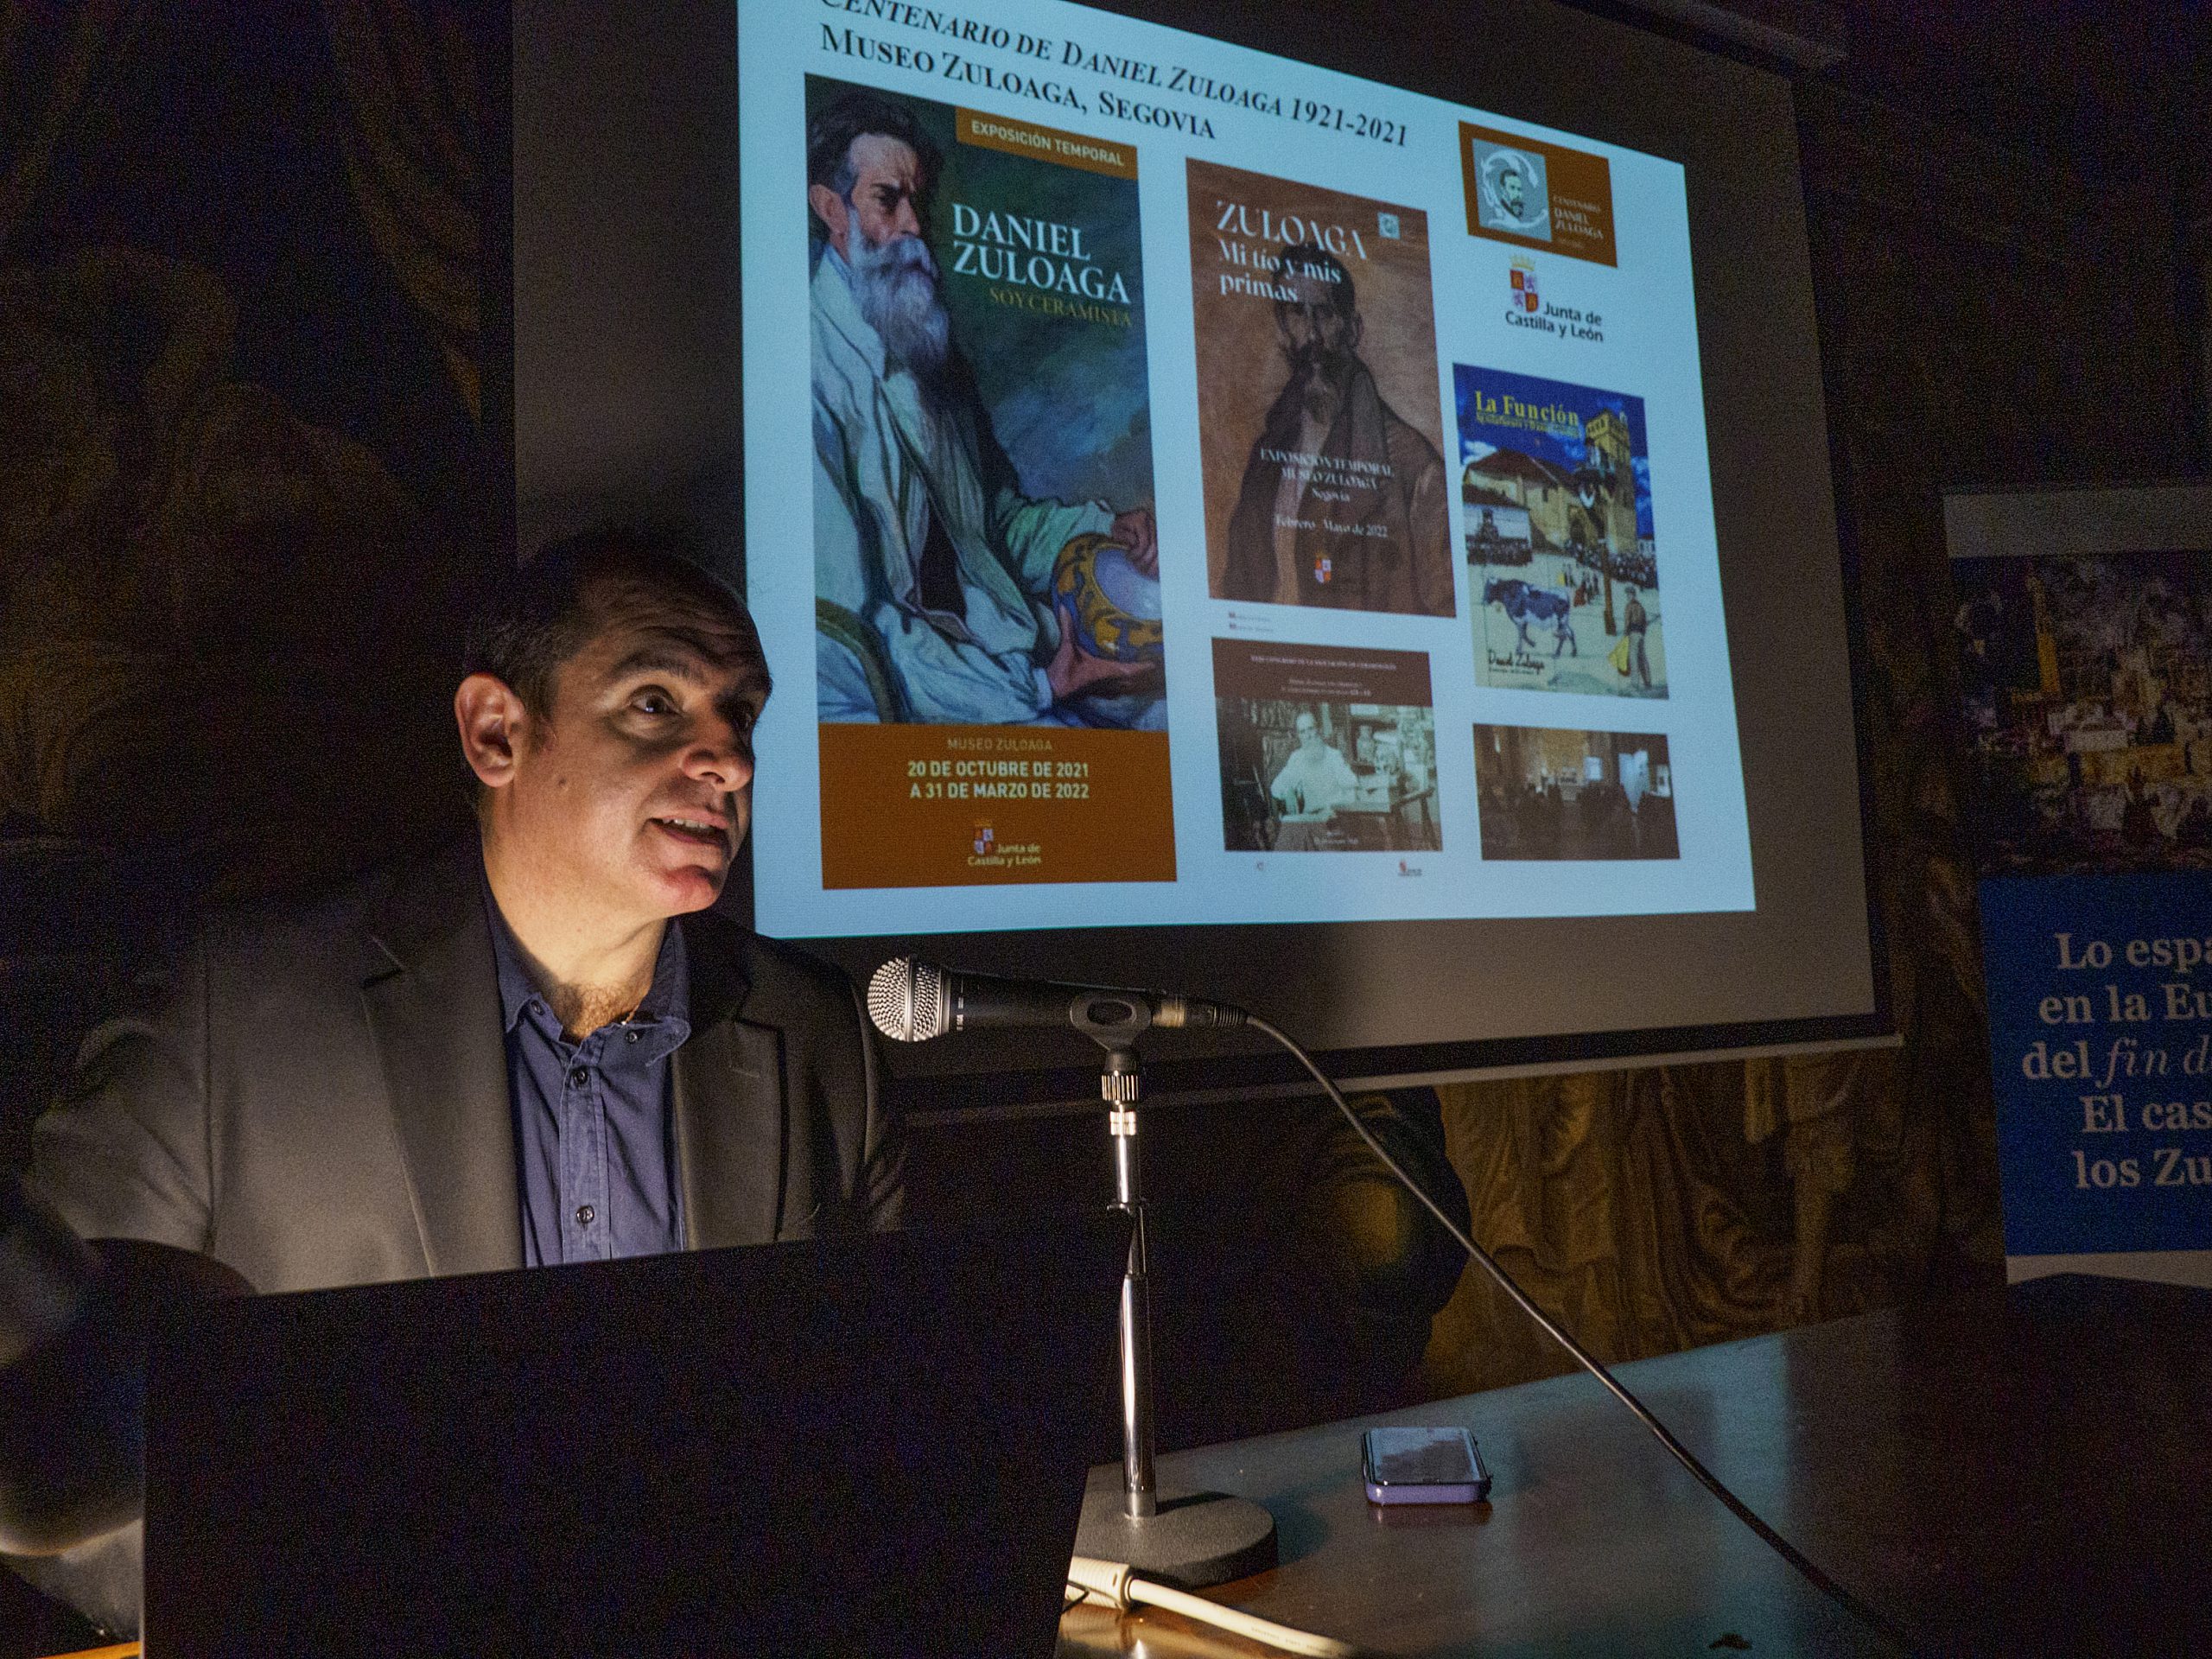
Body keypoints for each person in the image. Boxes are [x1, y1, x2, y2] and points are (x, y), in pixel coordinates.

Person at [10, 527, 905, 1635]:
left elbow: (875, 1435)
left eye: (742, 715)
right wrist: (307, 1611)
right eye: (656, 705)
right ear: (496, 732)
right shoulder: (235, 1006)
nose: (728, 757)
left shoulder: (819, 1038)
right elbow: (43, 1455)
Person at [806, 91, 1159, 726]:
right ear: (831, 208)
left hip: (1010, 651)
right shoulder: (807, 369)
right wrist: (1041, 687)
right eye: (889, 200)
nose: (915, 225)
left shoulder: (923, 343)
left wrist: (1106, 530)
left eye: (919, 201)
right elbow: (850, 630)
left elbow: (990, 528)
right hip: (911, 698)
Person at [1217, 245, 1452, 617]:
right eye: (1297, 313)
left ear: (1353, 328)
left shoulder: (1415, 471)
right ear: (1283, 330)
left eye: (1324, 314)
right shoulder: (1265, 461)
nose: (1312, 334)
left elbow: (1444, 617)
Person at [1268, 711, 1359, 850]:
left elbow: (1352, 784)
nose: (1308, 736)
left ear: (1319, 730)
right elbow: (1276, 787)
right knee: (1290, 828)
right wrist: (1287, 791)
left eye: (1311, 729)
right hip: (1309, 819)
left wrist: (1334, 808)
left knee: (1301, 834)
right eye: (1303, 732)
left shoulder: (1333, 756)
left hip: (1332, 820)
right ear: (1299, 736)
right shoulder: (1297, 758)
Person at [1623, 585, 1652, 689]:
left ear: (1632, 595)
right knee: (1642, 658)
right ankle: (1647, 682)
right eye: (1627, 594)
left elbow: (1627, 621)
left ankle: (1635, 683)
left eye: (1628, 594)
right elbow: (1645, 623)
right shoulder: (1641, 607)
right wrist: (1642, 633)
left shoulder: (1629, 606)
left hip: (1633, 633)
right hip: (1641, 634)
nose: (1627, 596)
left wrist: (1625, 634)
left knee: (1633, 659)